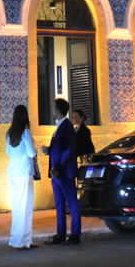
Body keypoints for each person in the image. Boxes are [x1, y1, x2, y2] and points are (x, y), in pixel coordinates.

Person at [42, 97, 81, 245]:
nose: (51, 110)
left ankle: (75, 234)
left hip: (64, 172)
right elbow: (59, 148)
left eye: (53, 108)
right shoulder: (59, 126)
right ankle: (61, 233)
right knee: (59, 204)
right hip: (56, 172)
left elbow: (69, 150)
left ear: (57, 111)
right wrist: (49, 150)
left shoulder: (67, 126)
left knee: (72, 203)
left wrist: (58, 166)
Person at [5, 104, 37, 250]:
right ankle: (23, 241)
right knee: (26, 207)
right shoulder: (25, 132)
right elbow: (31, 153)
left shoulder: (9, 133)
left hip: (13, 171)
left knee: (17, 207)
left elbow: (8, 153)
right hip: (24, 172)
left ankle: (17, 239)